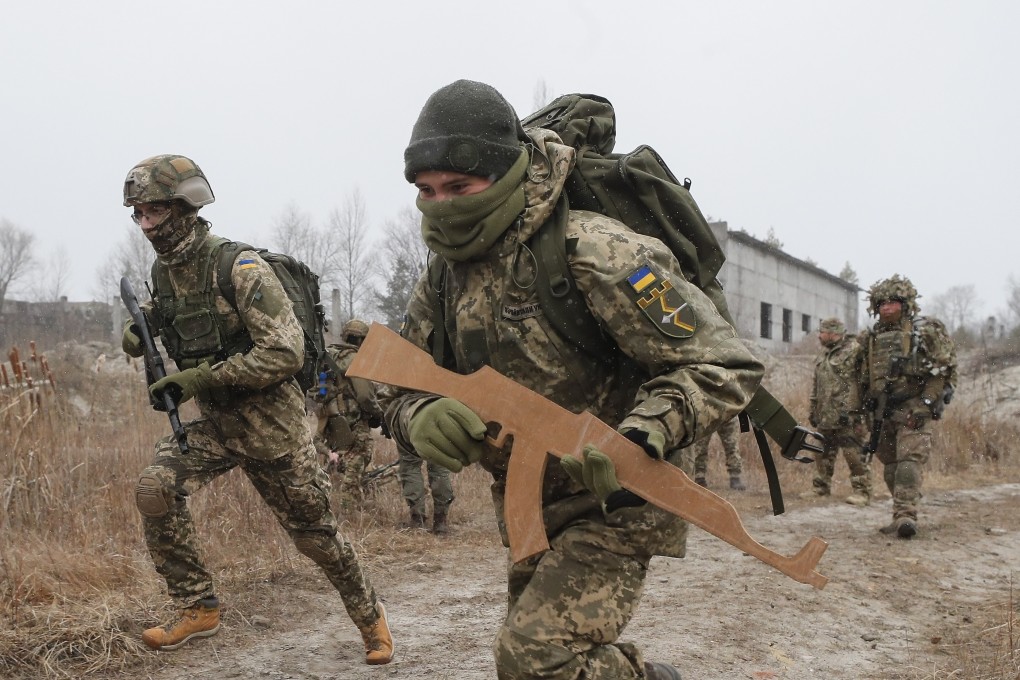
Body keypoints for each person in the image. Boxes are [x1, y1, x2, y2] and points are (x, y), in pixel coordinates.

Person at [382, 80, 764, 680]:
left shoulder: (597, 252)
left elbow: (724, 364)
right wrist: (417, 414)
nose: (442, 205)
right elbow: (396, 377)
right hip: (529, 502)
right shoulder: (444, 276)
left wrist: (642, 435)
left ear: (506, 171)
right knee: (539, 664)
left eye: (460, 187)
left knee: (532, 660)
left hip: (621, 502)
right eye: (426, 191)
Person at [120, 155, 393, 663]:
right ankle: (196, 606)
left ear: (185, 206)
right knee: (155, 488)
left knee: (317, 539)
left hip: (275, 432)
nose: (145, 224)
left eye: (153, 211)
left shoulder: (241, 268)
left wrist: (200, 377)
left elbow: (284, 353)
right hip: (217, 426)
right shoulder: (164, 272)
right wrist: (143, 327)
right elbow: (174, 313)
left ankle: (371, 619)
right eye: (137, 214)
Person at [856, 275, 956, 538]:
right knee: (890, 464)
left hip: (913, 407)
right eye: (882, 304)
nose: (887, 308)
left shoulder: (923, 331)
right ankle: (900, 511)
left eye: (893, 303)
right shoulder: (870, 338)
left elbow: (941, 372)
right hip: (881, 411)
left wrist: (925, 404)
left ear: (906, 303)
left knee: (909, 460)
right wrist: (861, 410)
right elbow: (861, 376)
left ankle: (906, 516)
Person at [307, 319, 384, 512]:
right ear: (361, 340)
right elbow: (365, 395)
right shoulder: (357, 360)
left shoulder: (328, 356)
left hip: (331, 421)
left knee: (342, 460)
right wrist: (378, 414)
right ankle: (348, 512)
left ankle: (329, 500)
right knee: (359, 459)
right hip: (355, 422)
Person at [808, 317, 872, 505]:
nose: (819, 336)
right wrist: (813, 408)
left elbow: (863, 381)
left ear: (833, 333)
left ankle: (862, 491)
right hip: (825, 414)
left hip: (848, 415)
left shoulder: (854, 351)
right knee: (821, 452)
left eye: (822, 332)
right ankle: (820, 488)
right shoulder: (824, 355)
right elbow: (816, 385)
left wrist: (859, 410)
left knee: (853, 454)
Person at [396, 440, 455, 533]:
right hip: (437, 428)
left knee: (410, 465)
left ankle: (417, 519)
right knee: (439, 466)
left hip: (409, 428)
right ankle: (440, 521)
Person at [690, 417, 745, 490]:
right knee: (700, 448)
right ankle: (699, 477)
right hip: (708, 414)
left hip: (728, 414)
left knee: (732, 446)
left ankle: (735, 477)